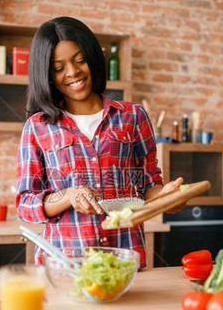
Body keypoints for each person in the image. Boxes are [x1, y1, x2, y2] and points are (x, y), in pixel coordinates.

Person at [16, 16, 183, 268]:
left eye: (79, 60)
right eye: (59, 68)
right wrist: (68, 196)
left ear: (92, 58)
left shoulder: (132, 116)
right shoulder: (38, 126)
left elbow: (148, 183)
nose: (73, 72)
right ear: (47, 74)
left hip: (124, 261)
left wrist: (169, 199)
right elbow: (26, 203)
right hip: (65, 267)